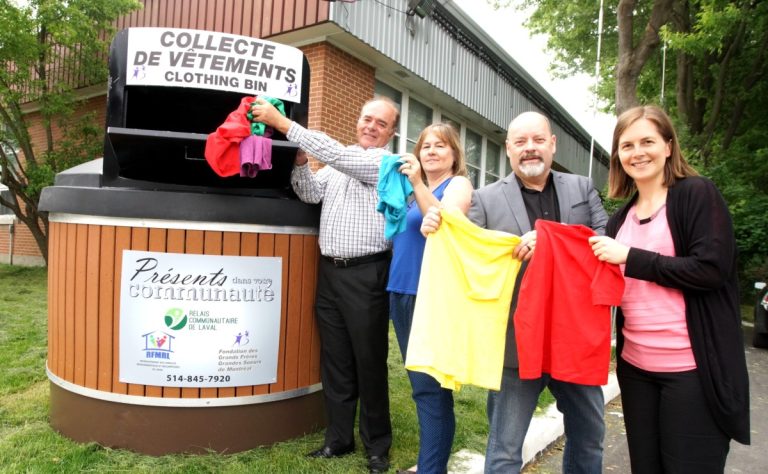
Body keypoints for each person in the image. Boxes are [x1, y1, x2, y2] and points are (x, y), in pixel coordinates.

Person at [422, 111, 608, 473]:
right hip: (515, 340)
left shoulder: (582, 188)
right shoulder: (487, 199)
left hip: (574, 338)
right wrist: (439, 226)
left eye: (538, 140)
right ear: (508, 149)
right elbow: (464, 252)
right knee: (505, 448)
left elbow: (606, 245)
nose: (530, 149)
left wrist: (552, 239)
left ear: (552, 144)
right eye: (520, 142)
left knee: (589, 436)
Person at [589, 105, 750, 473]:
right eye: (626, 145)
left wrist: (631, 257)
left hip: (692, 370)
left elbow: (712, 268)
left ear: (668, 146)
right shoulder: (621, 217)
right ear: (618, 156)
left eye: (647, 141)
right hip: (636, 370)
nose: (637, 152)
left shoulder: (696, 194)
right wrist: (547, 245)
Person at [251, 96, 398, 474]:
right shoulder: (339, 163)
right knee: (335, 362)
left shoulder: (382, 163)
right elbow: (312, 193)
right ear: (358, 120)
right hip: (330, 273)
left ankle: (377, 446)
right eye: (367, 118)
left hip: (367, 274)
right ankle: (338, 439)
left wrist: (285, 126)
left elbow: (336, 156)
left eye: (381, 123)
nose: (371, 126)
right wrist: (300, 164)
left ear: (391, 133)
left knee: (369, 362)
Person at [387, 123, 473, 474]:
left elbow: (446, 223)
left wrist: (419, 183)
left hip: (432, 296)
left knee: (431, 390)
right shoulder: (411, 192)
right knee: (420, 386)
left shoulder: (458, 185)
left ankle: (431, 468)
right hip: (402, 293)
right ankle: (430, 464)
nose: (432, 151)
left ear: (454, 154)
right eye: (425, 146)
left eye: (440, 146)